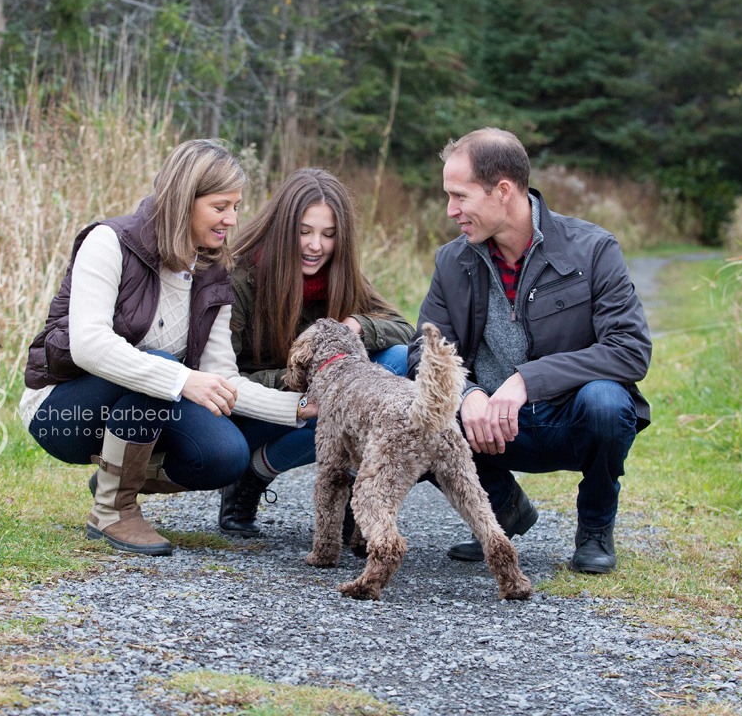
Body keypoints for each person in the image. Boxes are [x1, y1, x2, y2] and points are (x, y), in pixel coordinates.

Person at [18, 139, 316, 557]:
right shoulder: (109, 242)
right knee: (158, 365)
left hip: (144, 404)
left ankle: (117, 472)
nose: (232, 219)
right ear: (183, 199)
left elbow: (223, 379)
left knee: (225, 456)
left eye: (236, 206)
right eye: (220, 206)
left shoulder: (214, 274)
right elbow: (88, 345)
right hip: (63, 412)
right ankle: (113, 509)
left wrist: (299, 408)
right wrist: (180, 377)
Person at [409, 128, 651, 574]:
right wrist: (467, 395)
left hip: (568, 419)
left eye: (460, 196)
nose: (451, 211)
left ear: (503, 190)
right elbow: (424, 354)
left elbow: (630, 351)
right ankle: (501, 509)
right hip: (488, 429)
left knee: (608, 402)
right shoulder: (451, 261)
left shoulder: (595, 249)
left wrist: (527, 380)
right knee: (415, 411)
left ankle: (595, 527)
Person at [218, 168, 415, 537]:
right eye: (304, 231)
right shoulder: (240, 278)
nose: (315, 246)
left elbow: (405, 329)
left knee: (400, 361)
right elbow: (223, 376)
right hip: (258, 408)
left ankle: (357, 495)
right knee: (336, 402)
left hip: (320, 403)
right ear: (282, 228)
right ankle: (252, 474)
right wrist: (302, 383)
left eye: (328, 235)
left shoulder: (340, 274)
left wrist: (354, 325)